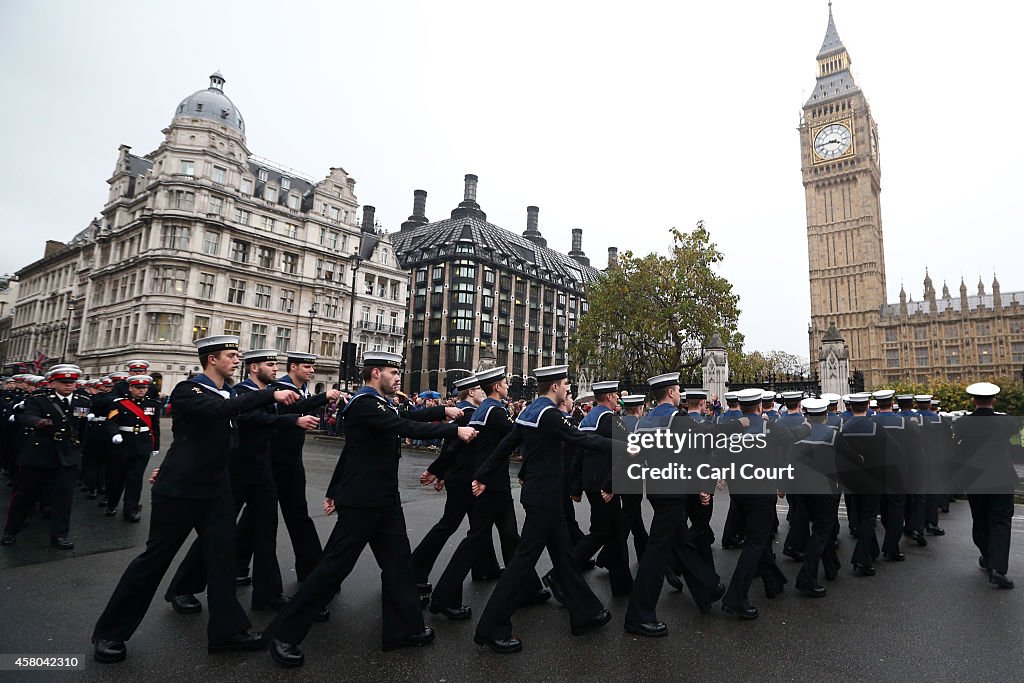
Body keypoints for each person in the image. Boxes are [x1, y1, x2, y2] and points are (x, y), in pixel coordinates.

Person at [91, 336, 299, 664]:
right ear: (211, 359)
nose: (236, 360)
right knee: (154, 561)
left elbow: (234, 420)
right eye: (231, 356)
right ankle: (110, 633)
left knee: (222, 560)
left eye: (237, 355)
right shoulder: (190, 390)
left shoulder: (229, 393)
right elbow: (219, 411)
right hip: (180, 491)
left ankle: (227, 632)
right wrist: (270, 393)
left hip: (216, 490)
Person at [263, 351, 477, 667]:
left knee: (399, 566)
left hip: (384, 500)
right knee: (332, 569)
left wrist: (443, 410)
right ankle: (282, 634)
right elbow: (402, 425)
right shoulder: (364, 403)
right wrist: (452, 430)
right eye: (393, 371)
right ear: (376, 373)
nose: (398, 376)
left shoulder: (380, 402)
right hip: (362, 502)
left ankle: (404, 630)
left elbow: (403, 416)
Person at [165, 349, 319, 614]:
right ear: (253, 368)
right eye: (269, 365)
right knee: (212, 535)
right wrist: (292, 420)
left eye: (275, 364)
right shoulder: (242, 393)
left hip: (262, 470)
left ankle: (268, 594)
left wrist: (317, 401)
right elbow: (251, 417)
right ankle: (183, 587)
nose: (275, 369)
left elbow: (288, 408)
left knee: (266, 534)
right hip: (236, 472)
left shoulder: (267, 392)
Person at [471, 365, 613, 654]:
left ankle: (586, 613)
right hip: (545, 499)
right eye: (565, 384)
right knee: (521, 565)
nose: (566, 388)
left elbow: (505, 447)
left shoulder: (527, 413)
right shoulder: (548, 415)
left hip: (538, 495)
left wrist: (483, 474)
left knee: (563, 559)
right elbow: (580, 439)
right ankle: (491, 627)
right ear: (555, 387)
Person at [624, 374, 746, 636]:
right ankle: (639, 614)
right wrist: (738, 425)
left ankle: (707, 587)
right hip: (670, 491)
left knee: (682, 543)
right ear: (670, 392)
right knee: (655, 554)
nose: (680, 393)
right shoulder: (675, 418)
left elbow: (635, 454)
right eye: (678, 389)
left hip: (657, 489)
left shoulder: (644, 420)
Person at [428, 367, 549, 619]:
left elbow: (458, 447)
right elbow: (516, 437)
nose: (507, 385)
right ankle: (444, 596)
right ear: (496, 387)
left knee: (509, 537)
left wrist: (437, 469)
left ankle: (527, 589)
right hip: (491, 483)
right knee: (477, 540)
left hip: (490, 481)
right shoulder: (495, 411)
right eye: (505, 382)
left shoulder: (482, 411)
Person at [246, 352, 339, 583]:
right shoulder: (279, 389)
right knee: (265, 520)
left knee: (292, 516)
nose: (311, 371)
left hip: (290, 461)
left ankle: (309, 570)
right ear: (293, 367)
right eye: (306, 366)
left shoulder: (300, 389)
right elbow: (292, 408)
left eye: (312, 367)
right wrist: (324, 397)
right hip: (272, 461)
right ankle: (309, 572)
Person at [719, 388, 809, 620]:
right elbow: (791, 436)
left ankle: (773, 581)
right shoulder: (768, 426)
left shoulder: (733, 427)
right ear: (760, 406)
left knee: (757, 539)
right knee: (755, 544)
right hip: (761, 492)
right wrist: (808, 426)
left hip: (738, 491)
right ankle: (735, 597)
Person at [413, 374, 500, 598]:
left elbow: (448, 444)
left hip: (460, 476)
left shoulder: (460, 412)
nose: (483, 393)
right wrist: (436, 471)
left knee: (479, 524)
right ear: (471, 392)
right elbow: (455, 448)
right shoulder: (470, 414)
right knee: (450, 525)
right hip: (464, 478)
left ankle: (485, 567)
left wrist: (441, 472)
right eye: (480, 390)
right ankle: (415, 571)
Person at [2, 365, 90, 549]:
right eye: (64, 382)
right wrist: (38, 422)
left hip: (67, 456)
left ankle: (59, 535)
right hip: (39, 453)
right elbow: (25, 416)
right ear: (53, 383)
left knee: (64, 498)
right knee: (25, 496)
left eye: (72, 382)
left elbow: (82, 429)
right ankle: (11, 530)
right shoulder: (40, 399)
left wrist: (79, 451)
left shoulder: (82, 401)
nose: (68, 386)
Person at [787, 397, 861, 596]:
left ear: (807, 416)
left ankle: (831, 566)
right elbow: (853, 458)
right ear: (825, 416)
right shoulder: (833, 435)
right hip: (825, 490)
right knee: (821, 531)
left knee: (823, 529)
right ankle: (806, 577)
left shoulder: (797, 436)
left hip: (800, 490)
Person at [953, 382, 1020, 589]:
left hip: (975, 479)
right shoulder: (1008, 422)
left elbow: (959, 449)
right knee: (1000, 522)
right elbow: (1016, 445)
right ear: (994, 400)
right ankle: (997, 569)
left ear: (973, 401)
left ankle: (987, 555)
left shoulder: (963, 423)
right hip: (1002, 478)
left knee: (980, 520)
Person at [569, 380, 633, 595]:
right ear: (608, 396)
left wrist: (576, 487)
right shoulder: (610, 419)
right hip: (605, 485)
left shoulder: (587, 419)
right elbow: (626, 451)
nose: (617, 398)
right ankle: (561, 574)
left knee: (614, 533)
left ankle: (622, 584)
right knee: (601, 533)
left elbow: (578, 454)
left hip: (591, 482)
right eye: (615, 395)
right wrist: (612, 484)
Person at [103, 374, 161, 522]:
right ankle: (112, 503)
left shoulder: (152, 404)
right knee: (117, 477)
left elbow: (155, 426)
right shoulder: (119, 403)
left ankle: (131, 509)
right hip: (123, 444)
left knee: (135, 479)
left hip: (142, 445)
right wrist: (114, 434)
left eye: (144, 388)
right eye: (138, 387)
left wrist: (155, 445)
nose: (141, 390)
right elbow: (111, 422)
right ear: (130, 388)